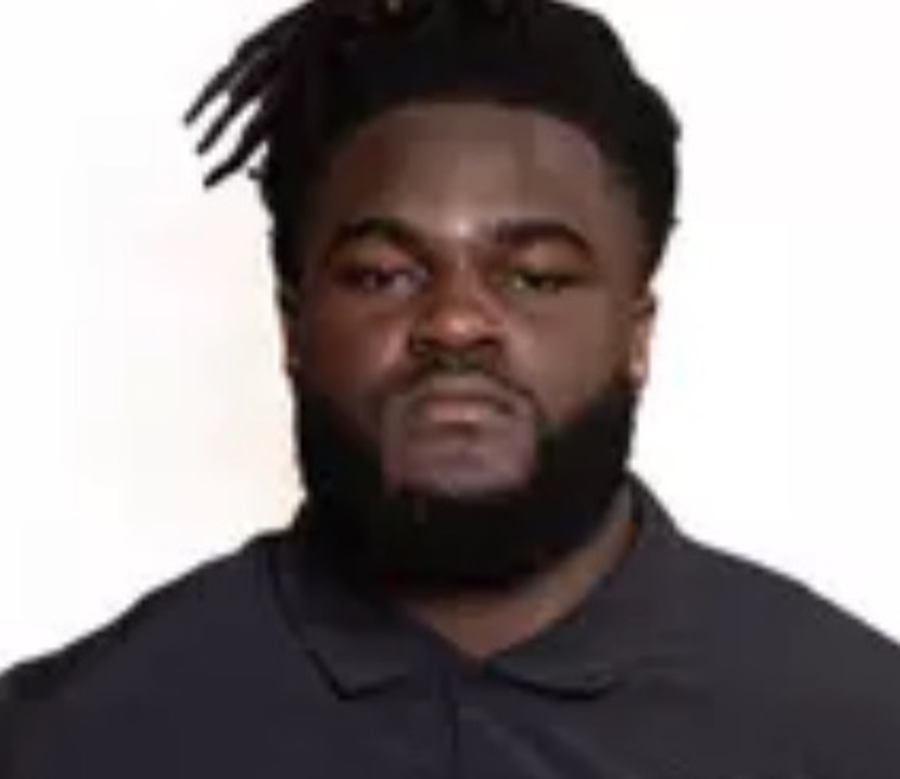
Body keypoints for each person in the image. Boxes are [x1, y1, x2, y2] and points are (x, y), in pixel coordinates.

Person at [3, 0, 899, 775]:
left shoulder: (859, 726)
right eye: (382, 274)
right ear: (291, 327)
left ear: (638, 335)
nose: (458, 321)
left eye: (537, 276)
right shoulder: (66, 737)